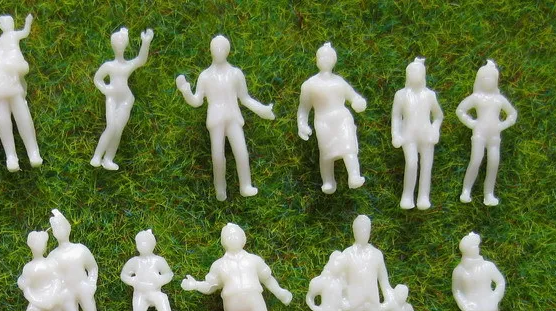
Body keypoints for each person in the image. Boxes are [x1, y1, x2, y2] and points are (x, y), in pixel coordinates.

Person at [176, 35, 274, 200]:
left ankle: (246, 185)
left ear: (228, 51)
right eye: (216, 48)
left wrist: (262, 110)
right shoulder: (205, 76)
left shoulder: (236, 74)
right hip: (215, 120)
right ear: (211, 50)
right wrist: (186, 92)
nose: (219, 51)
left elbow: (245, 98)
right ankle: (220, 189)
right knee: (217, 155)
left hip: (233, 117)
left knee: (241, 151)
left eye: (222, 48)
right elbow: (197, 101)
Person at [0, 17, 42, 171]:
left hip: (13, 89)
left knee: (24, 119)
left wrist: (15, 67)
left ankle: (33, 152)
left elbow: (22, 66)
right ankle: (11, 156)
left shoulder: (6, 47)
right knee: (3, 123)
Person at [297, 42, 367, 193]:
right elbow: (303, 108)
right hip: (323, 121)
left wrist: (358, 101)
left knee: (349, 146)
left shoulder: (339, 81)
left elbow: (353, 96)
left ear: (334, 60)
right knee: (326, 151)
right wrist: (302, 124)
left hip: (342, 118)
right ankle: (328, 181)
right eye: (322, 57)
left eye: (329, 57)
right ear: (317, 60)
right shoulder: (309, 85)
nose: (325, 60)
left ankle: (354, 175)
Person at [47, 209, 111, 311]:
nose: (59, 231)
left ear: (68, 227)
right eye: (56, 228)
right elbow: (52, 278)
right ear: (53, 233)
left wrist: (91, 283)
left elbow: (92, 267)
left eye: (62, 227)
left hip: (83, 288)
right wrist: (58, 293)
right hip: (66, 293)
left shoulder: (80, 249)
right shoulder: (52, 256)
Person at [91, 28, 154, 170]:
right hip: (112, 98)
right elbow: (97, 79)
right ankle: (97, 156)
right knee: (111, 127)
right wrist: (106, 89)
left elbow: (141, 60)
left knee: (118, 130)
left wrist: (145, 42)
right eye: (116, 42)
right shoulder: (109, 65)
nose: (119, 45)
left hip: (126, 100)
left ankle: (108, 159)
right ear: (112, 45)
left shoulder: (128, 65)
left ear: (125, 44)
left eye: (121, 42)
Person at [457, 60, 517, 206]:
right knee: (476, 160)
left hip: (494, 137)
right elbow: (460, 110)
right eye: (485, 78)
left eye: (491, 78)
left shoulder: (499, 99)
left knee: (493, 163)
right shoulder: (476, 97)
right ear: (479, 80)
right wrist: (472, 123)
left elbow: (512, 114)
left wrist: (502, 125)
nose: (488, 81)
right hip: (479, 135)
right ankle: (466, 190)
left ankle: (489, 194)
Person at [391, 58, 443, 209]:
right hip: (408, 136)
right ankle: (407, 196)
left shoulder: (430, 95)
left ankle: (423, 197)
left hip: (426, 136)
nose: (415, 74)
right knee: (412, 163)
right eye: (411, 72)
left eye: (418, 71)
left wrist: (435, 129)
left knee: (426, 166)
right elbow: (396, 116)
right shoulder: (401, 95)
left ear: (423, 74)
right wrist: (396, 134)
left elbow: (438, 116)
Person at [120, 229, 177, 311]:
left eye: (146, 242)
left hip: (154, 291)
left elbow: (168, 274)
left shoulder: (158, 261)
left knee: (162, 298)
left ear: (153, 244)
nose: (143, 245)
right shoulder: (134, 261)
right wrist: (133, 281)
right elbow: (124, 275)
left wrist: (160, 280)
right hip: (140, 294)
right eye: (140, 243)